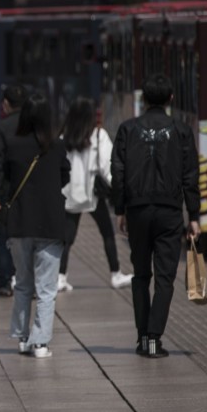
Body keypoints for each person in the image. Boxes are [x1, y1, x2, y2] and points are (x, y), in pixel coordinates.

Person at [111, 73, 200, 359]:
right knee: (164, 278)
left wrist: (120, 209)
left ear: (144, 100)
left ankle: (141, 336)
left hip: (137, 210)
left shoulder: (127, 129)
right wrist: (194, 215)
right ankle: (153, 338)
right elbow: (190, 176)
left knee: (140, 275)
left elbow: (119, 172)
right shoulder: (182, 131)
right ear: (171, 99)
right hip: (170, 212)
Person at [0, 93, 70, 358]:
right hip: (50, 224)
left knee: (23, 283)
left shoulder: (13, 144)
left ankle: (21, 336)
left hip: (20, 223)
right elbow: (65, 175)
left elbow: (6, 181)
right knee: (47, 288)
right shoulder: (57, 146)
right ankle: (40, 343)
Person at [59, 97, 133, 293]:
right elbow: (107, 168)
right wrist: (121, 189)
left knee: (67, 238)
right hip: (91, 195)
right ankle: (115, 274)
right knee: (107, 233)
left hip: (69, 195)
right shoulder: (98, 136)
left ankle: (60, 277)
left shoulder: (63, 137)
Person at [0, 84, 26, 297]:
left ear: (6, 104)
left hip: (8, 190)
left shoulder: (1, 128)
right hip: (30, 189)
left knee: (5, 235)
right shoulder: (34, 127)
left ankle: (4, 280)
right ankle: (27, 278)